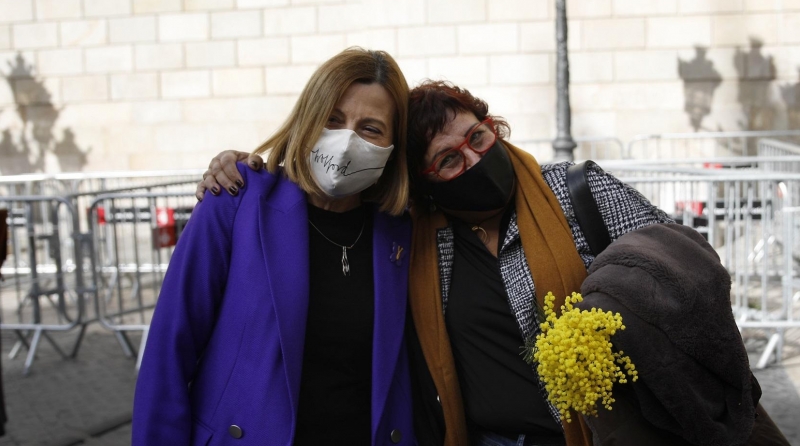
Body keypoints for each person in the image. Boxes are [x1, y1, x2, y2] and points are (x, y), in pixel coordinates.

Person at [197, 81, 780, 445]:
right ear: (423, 183)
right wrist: (242, 168)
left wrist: (608, 313)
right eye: (448, 161)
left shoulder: (575, 192)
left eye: (478, 137)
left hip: (617, 436)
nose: (474, 158)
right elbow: (328, 189)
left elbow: (688, 258)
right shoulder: (414, 237)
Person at [132, 47, 417, 445]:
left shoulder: (402, 231)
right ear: (308, 119)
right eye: (332, 119)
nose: (346, 140)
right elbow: (169, 351)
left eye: (370, 128)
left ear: (391, 147)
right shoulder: (235, 203)